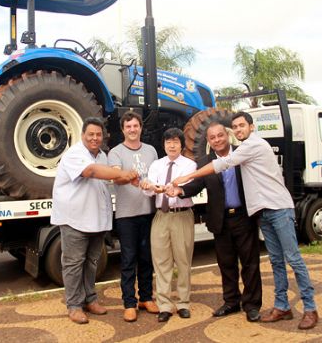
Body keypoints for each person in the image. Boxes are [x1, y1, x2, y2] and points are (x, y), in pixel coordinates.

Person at [172, 111, 319, 330]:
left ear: (250, 127)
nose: (238, 130)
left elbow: (224, 164)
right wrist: (179, 190)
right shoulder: (218, 156)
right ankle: (281, 306)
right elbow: (202, 183)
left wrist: (187, 175)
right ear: (209, 141)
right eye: (236, 126)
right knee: (276, 261)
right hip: (260, 213)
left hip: (276, 209)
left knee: (292, 259)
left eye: (242, 126)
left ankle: (310, 308)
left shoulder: (251, 147)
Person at [166, 122, 262, 322]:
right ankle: (231, 302)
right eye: (213, 138)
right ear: (208, 141)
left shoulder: (243, 154)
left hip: (244, 217)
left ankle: (252, 305)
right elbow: (196, 184)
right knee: (226, 264)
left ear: (227, 136)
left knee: (250, 263)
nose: (217, 140)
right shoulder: (204, 163)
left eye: (220, 135)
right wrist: (181, 190)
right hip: (220, 220)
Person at [51, 117, 139, 325]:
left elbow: (111, 177)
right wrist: (124, 173)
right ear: (83, 135)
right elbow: (91, 172)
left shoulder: (102, 156)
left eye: (98, 134)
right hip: (75, 219)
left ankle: (90, 299)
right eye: (91, 134)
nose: (95, 138)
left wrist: (135, 180)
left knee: (91, 262)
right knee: (73, 264)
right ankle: (74, 305)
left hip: (96, 219)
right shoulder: (74, 154)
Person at [140, 128, 196, 322]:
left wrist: (174, 190)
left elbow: (187, 188)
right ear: (163, 145)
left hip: (181, 216)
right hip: (161, 217)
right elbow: (151, 189)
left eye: (175, 142)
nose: (171, 145)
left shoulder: (190, 165)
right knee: (161, 262)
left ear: (182, 144)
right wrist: (148, 186)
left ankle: (183, 303)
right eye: (168, 142)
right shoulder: (156, 165)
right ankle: (164, 304)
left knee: (183, 262)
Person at [108, 111, 159, 322]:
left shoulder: (151, 151)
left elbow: (157, 177)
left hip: (148, 212)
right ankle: (129, 302)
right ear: (123, 130)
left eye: (135, 126)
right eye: (128, 126)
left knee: (147, 259)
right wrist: (131, 177)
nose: (132, 130)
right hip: (126, 215)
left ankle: (146, 298)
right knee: (129, 259)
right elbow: (116, 177)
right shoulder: (115, 152)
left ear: (141, 128)